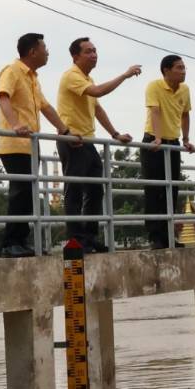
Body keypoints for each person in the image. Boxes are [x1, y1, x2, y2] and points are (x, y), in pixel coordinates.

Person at [56, 38, 141, 252]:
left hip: (88, 141)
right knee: (74, 191)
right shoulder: (71, 75)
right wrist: (124, 75)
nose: (94, 54)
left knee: (95, 191)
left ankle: (89, 236)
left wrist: (115, 134)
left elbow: (97, 108)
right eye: (88, 51)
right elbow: (97, 92)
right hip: (72, 140)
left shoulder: (87, 78)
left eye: (95, 50)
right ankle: (75, 239)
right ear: (76, 57)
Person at [0, 32, 72, 258]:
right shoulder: (12, 71)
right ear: (32, 51)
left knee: (28, 194)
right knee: (20, 193)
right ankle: (10, 243)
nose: (47, 52)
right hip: (14, 143)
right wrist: (15, 124)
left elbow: (45, 107)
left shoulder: (32, 78)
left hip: (30, 144)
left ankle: (20, 240)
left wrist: (65, 130)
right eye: (44, 48)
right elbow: (2, 96)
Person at [143, 54, 194, 249]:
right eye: (179, 68)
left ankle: (168, 236)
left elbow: (185, 114)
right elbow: (155, 111)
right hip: (153, 142)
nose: (183, 71)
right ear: (166, 70)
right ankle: (155, 237)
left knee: (171, 189)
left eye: (184, 67)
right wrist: (157, 137)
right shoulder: (154, 86)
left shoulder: (185, 89)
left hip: (173, 143)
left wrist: (186, 139)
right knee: (154, 190)